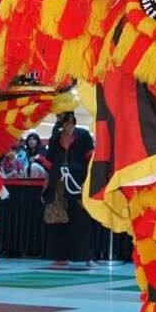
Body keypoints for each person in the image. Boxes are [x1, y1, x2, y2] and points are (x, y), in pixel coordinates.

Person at [43, 111, 95, 266]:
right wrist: (45, 187)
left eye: (64, 118)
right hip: (57, 184)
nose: (61, 122)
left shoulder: (83, 135)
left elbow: (90, 160)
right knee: (58, 221)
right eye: (59, 118)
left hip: (78, 183)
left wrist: (89, 183)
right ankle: (60, 257)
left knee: (82, 220)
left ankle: (87, 257)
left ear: (72, 119)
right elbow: (49, 165)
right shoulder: (54, 138)